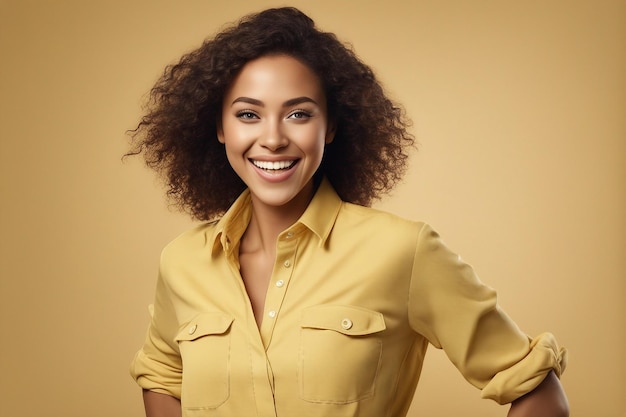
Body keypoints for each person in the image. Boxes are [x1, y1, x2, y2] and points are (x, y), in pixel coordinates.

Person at [128, 7, 568, 417]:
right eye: (248, 114)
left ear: (331, 126)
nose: (273, 138)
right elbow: (162, 378)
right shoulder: (181, 262)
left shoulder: (402, 252)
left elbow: (537, 388)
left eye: (298, 113)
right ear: (219, 127)